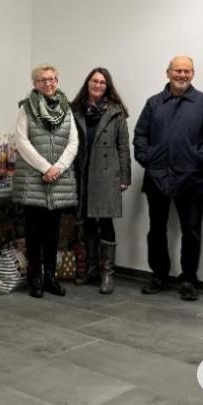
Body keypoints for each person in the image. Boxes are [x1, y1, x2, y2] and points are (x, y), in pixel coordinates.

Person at [133, 56, 203, 301]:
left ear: (193, 74)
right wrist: (148, 159)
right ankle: (159, 275)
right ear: (168, 73)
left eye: (187, 71)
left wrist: (196, 160)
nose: (182, 75)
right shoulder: (153, 103)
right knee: (157, 229)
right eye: (177, 71)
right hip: (156, 177)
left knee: (191, 231)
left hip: (191, 178)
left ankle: (188, 280)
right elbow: (140, 135)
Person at [13, 64, 79, 298]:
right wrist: (45, 167)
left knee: (53, 233)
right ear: (35, 84)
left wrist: (58, 169)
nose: (48, 83)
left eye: (52, 79)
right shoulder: (26, 109)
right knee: (33, 234)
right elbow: (22, 142)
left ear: (57, 81)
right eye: (43, 80)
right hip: (34, 179)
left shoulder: (66, 109)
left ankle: (51, 277)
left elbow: (73, 142)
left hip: (57, 180)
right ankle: (35, 279)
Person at [71, 67, 131, 294]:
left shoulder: (116, 112)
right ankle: (91, 269)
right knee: (86, 221)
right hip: (82, 171)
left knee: (105, 222)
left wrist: (124, 177)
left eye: (102, 82)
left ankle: (107, 274)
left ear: (108, 87)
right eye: (94, 81)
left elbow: (123, 146)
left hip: (106, 174)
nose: (98, 85)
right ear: (88, 83)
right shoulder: (75, 110)